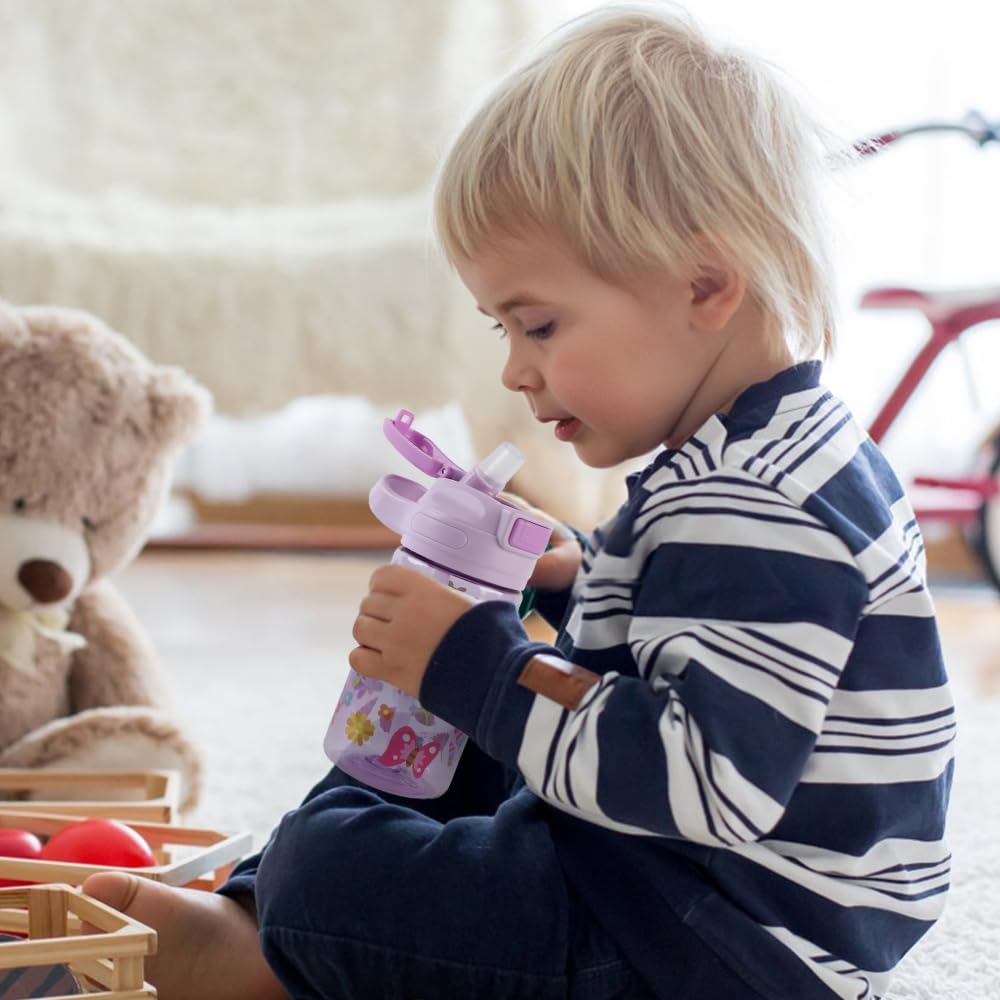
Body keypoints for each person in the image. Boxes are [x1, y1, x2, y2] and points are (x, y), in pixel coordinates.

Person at [83, 4, 955, 998]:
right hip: (685, 888)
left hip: (717, 947)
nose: (514, 371)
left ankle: (276, 941)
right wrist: (584, 576)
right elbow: (704, 638)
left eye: (536, 324)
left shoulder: (753, 508)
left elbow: (707, 781)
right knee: (422, 752)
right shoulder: (763, 452)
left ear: (707, 282)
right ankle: (262, 915)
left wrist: (481, 667)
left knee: (340, 866)